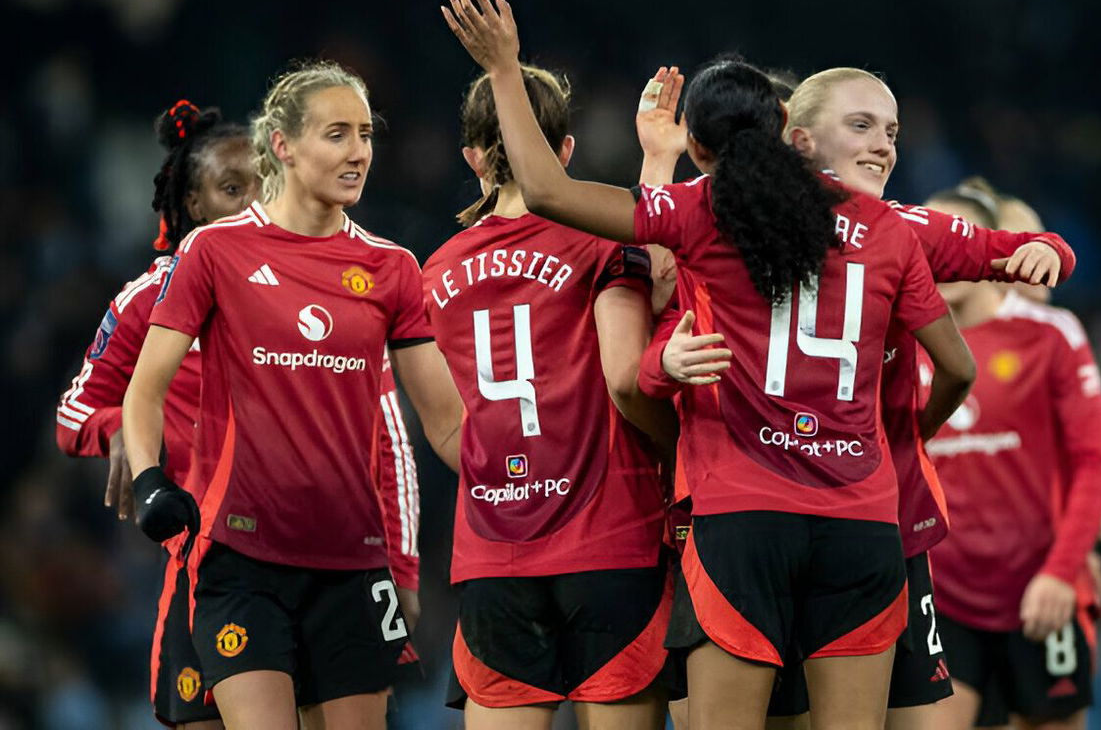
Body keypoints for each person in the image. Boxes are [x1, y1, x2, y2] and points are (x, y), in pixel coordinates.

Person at [441, 0, 976, 730]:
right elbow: (959, 367)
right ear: (789, 124)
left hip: (738, 518)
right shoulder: (886, 228)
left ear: (697, 146)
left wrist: (504, 68)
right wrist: (904, 436)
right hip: (859, 521)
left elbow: (547, 191)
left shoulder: (698, 210)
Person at [636, 67, 1078, 730]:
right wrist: (661, 361)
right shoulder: (739, 224)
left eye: (892, 132)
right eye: (863, 126)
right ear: (798, 141)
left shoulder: (895, 228)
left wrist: (1047, 247)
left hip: (870, 526)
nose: (883, 146)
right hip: (762, 520)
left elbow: (1016, 251)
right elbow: (661, 316)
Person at [120, 62, 463, 730]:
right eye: (337, 134)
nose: (359, 151)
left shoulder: (391, 268)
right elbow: (145, 392)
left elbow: (445, 424)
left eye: (366, 134)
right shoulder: (214, 252)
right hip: (241, 563)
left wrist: (520, 480)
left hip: (357, 565)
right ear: (283, 145)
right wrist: (152, 481)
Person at [423, 64, 676, 730]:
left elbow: (448, 428)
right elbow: (632, 369)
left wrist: (503, 484)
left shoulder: (435, 273)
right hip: (612, 539)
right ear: (564, 152)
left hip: (493, 551)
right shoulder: (602, 241)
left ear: (472, 157)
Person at [56, 100, 255, 729]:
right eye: (231, 188)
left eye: (262, 185)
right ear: (194, 206)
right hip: (206, 557)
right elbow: (75, 413)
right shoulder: (149, 298)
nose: (252, 202)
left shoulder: (313, 285)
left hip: (313, 554)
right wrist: (121, 429)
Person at [919, 189, 1101, 730]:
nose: (941, 257)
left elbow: (1093, 465)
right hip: (942, 594)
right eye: (929, 241)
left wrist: (1061, 572)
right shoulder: (900, 343)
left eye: (954, 242)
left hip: (1039, 587)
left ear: (982, 249)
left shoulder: (1050, 335)